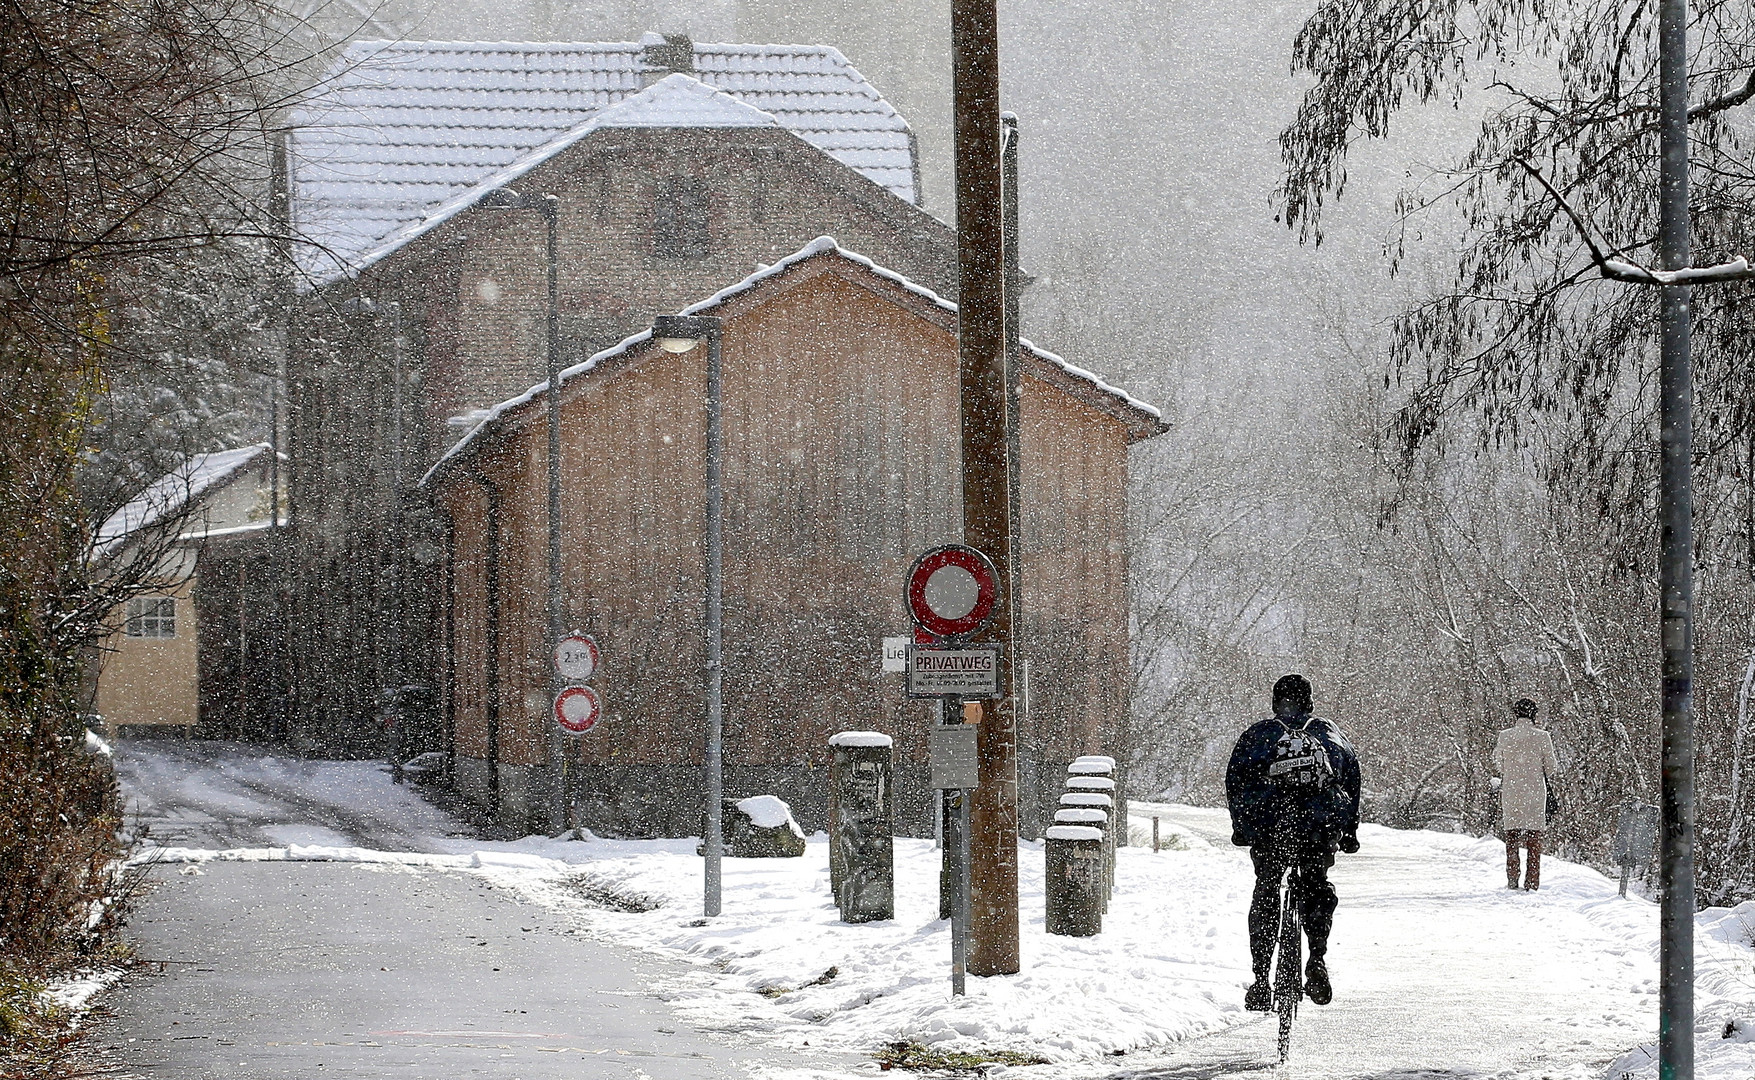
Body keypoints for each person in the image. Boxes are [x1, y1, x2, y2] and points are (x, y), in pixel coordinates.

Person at [1226, 674, 1362, 1011]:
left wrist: (1242, 827)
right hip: (1318, 826)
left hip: (1272, 827)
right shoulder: (1328, 733)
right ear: (1309, 702)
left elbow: (1235, 781)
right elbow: (1352, 778)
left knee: (1267, 886)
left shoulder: (1258, 735)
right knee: (1315, 884)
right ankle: (1316, 957)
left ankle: (1260, 978)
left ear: (1275, 703)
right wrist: (1349, 832)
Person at [1494, 698, 1559, 890]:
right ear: (1534, 714)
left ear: (1516, 713)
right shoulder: (1542, 737)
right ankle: (1532, 881)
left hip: (1512, 792)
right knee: (1534, 837)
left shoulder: (1504, 736)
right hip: (1535, 792)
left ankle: (1512, 876)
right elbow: (1551, 767)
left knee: (1512, 836)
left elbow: (1499, 764)